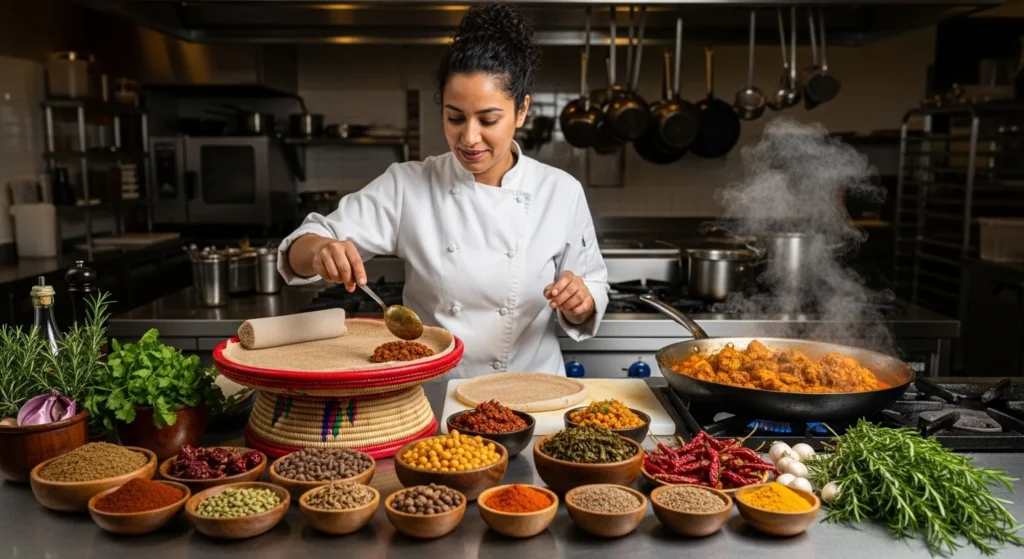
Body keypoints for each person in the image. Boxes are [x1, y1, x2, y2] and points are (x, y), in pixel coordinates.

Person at [278, 3, 609, 378]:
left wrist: (580, 301)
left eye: (488, 119)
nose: (469, 137)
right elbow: (299, 249)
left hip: (531, 393)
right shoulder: (408, 185)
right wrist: (322, 250)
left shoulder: (560, 192)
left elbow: (592, 287)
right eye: (455, 118)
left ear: (521, 111)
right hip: (436, 397)